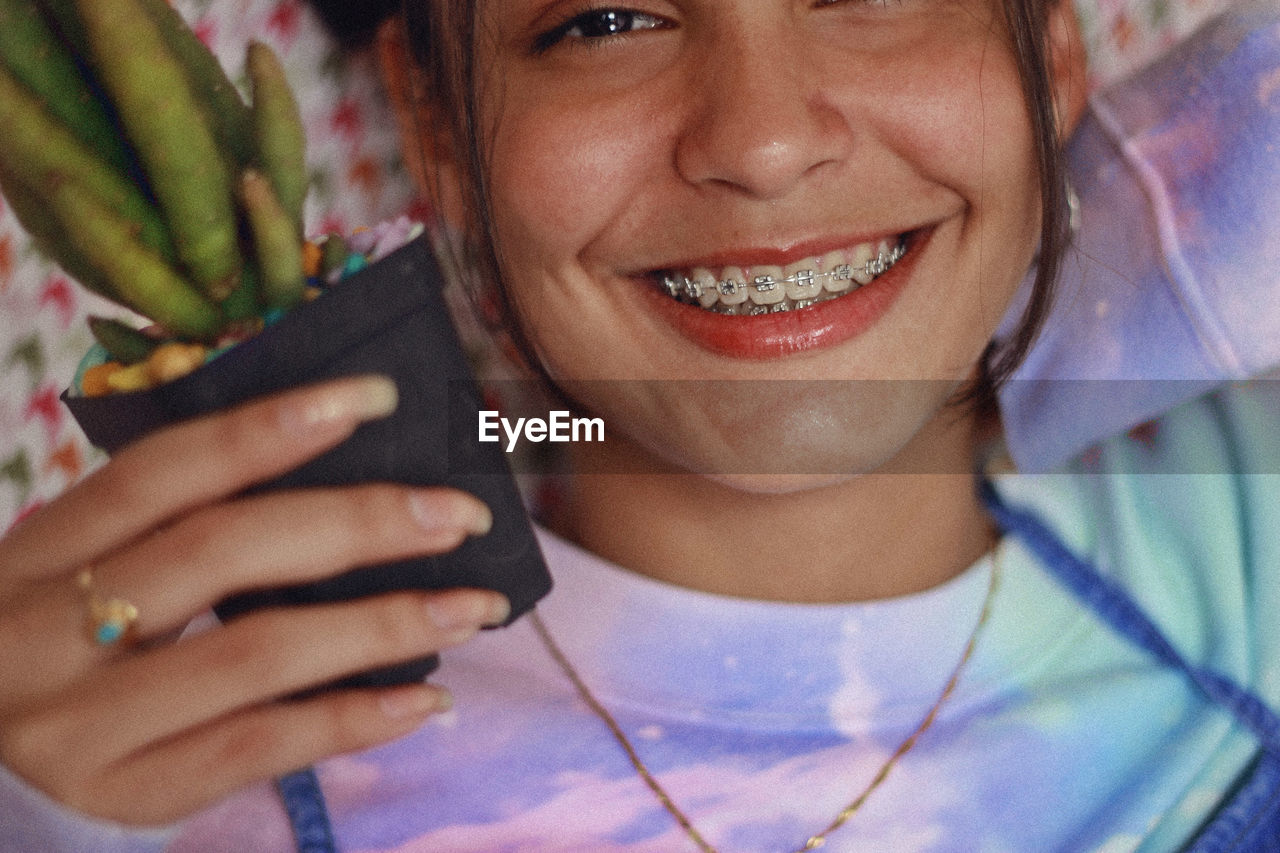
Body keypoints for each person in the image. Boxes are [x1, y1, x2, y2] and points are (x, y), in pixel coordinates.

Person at [1, 0, 1278, 850]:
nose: (765, 141)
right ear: (437, 129)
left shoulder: (1239, 518)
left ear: (1049, 51)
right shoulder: (171, 778)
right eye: (604, 16)